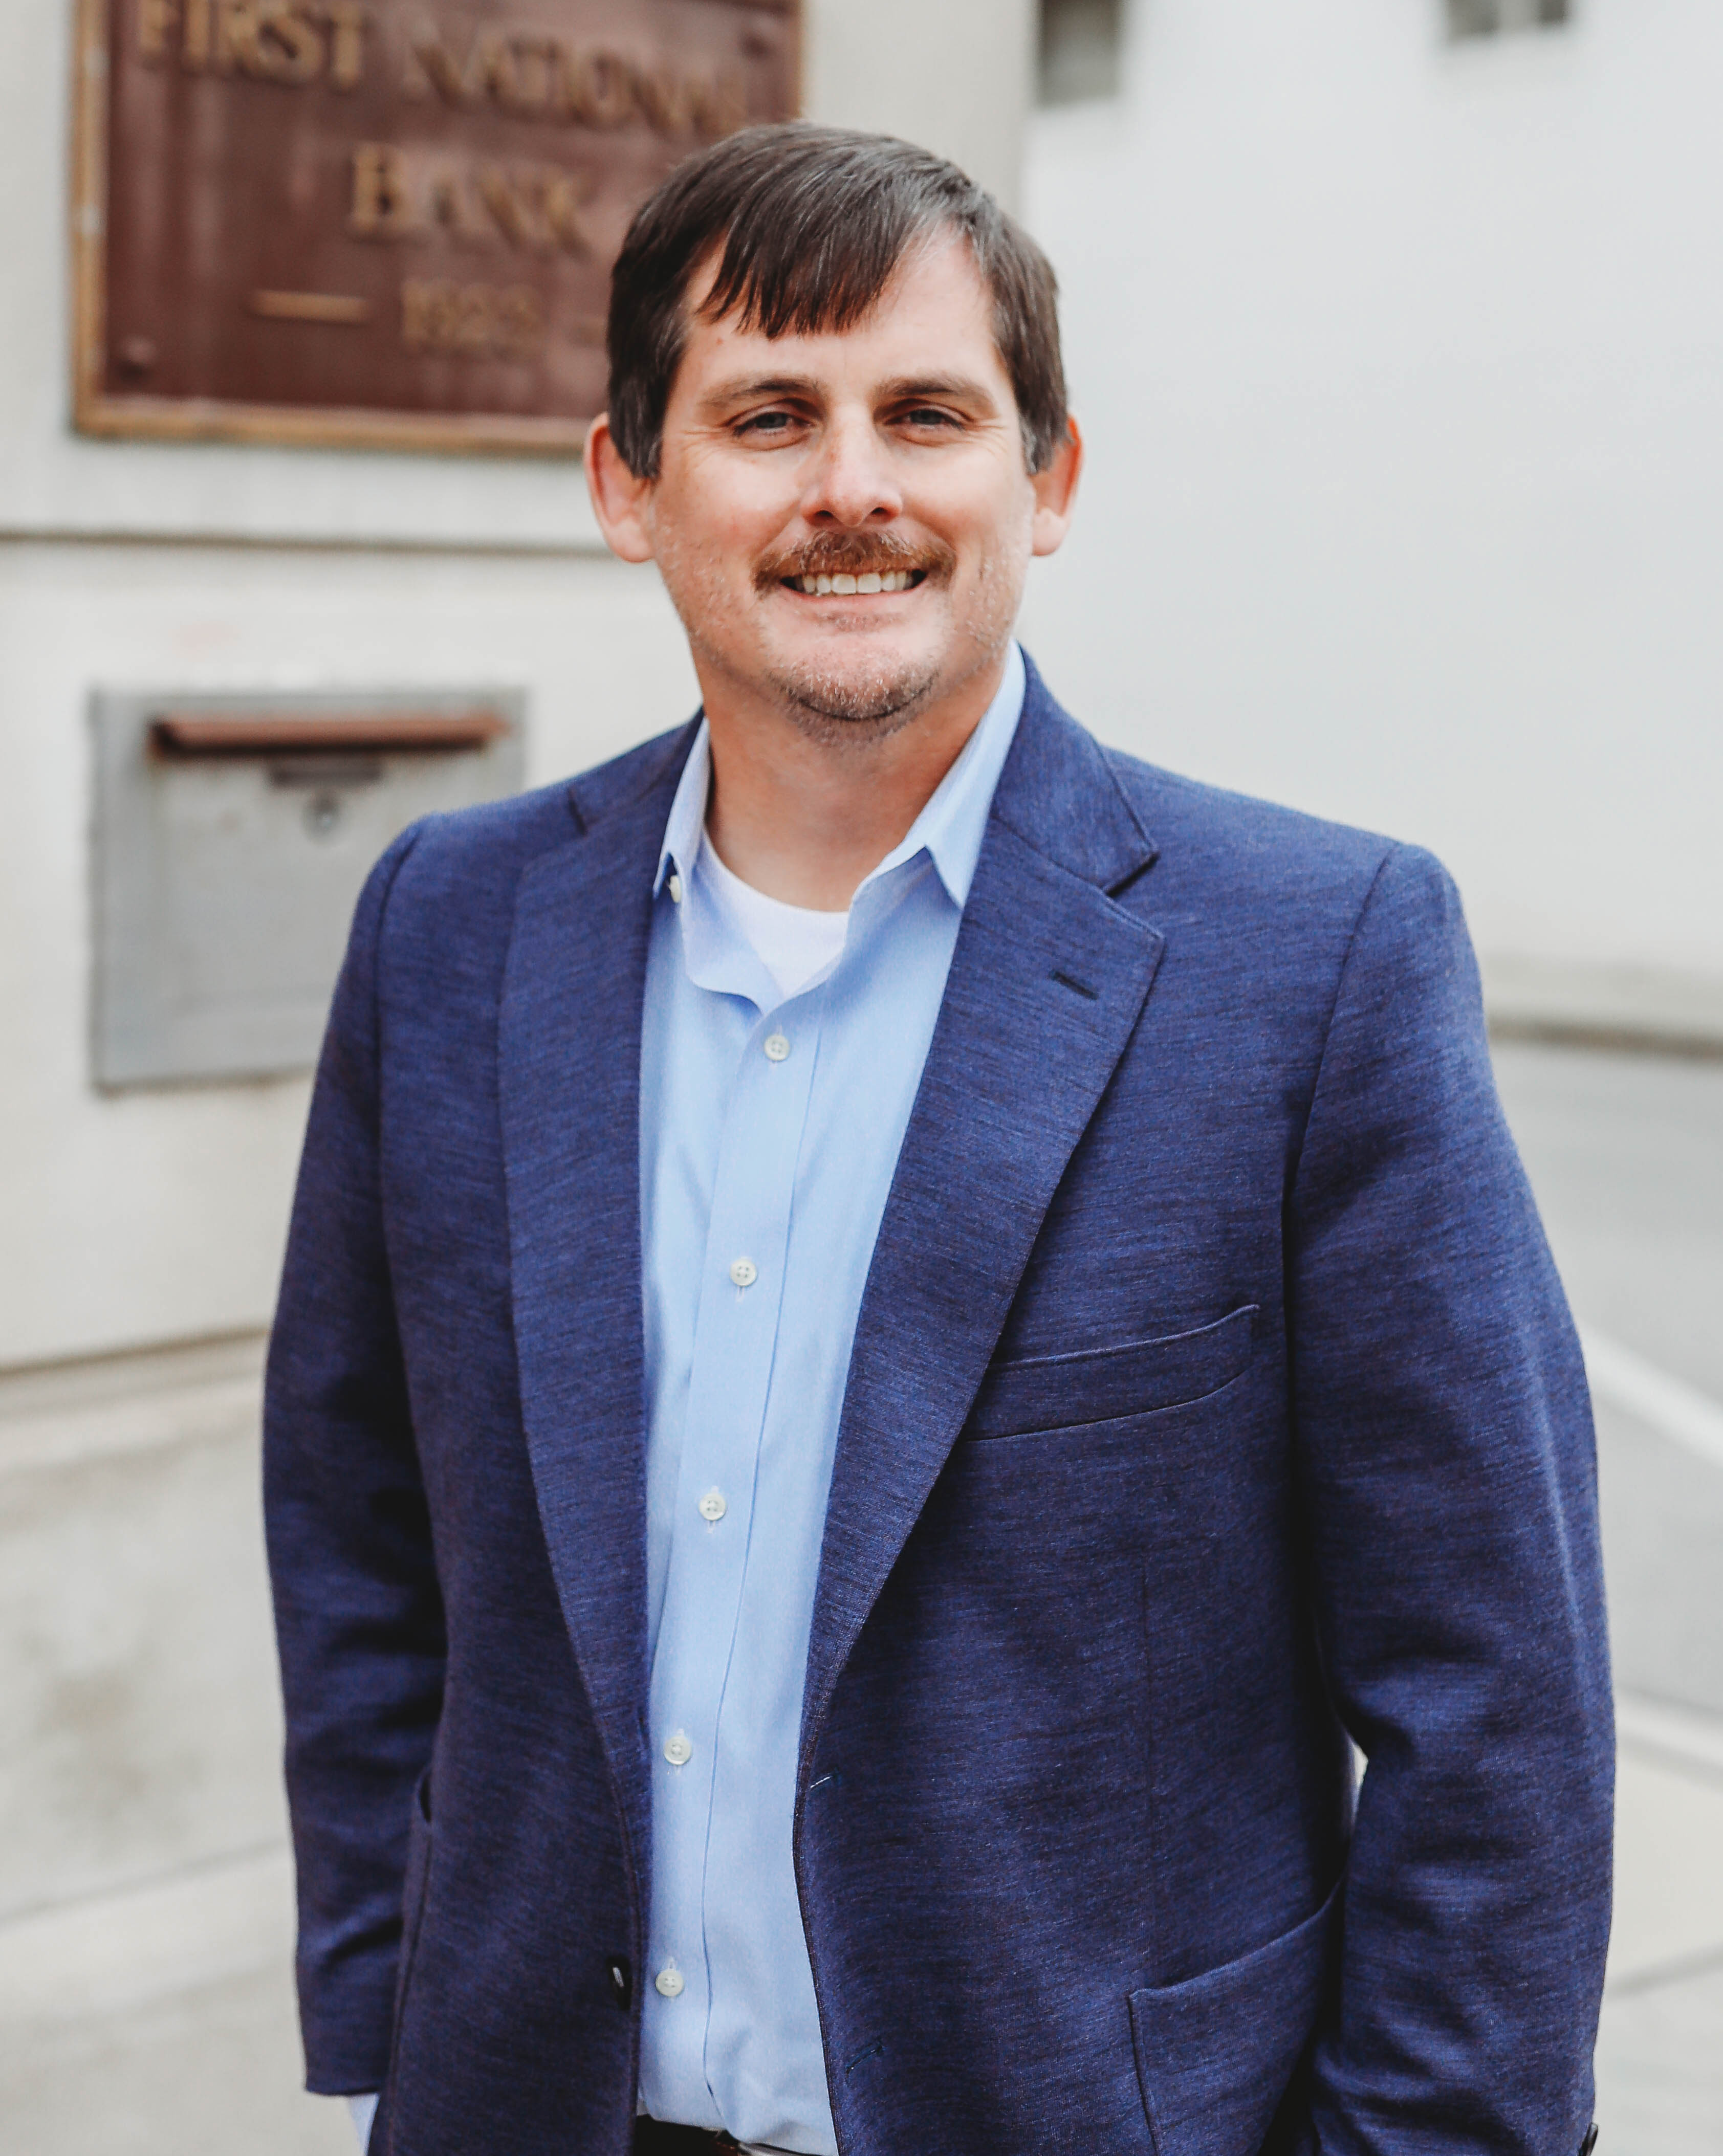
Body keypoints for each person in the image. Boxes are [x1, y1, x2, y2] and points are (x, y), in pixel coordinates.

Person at [265, 124, 1612, 2156]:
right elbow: (356, 1523)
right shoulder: (450, 928)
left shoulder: (1309, 961)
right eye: (766, 414)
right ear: (627, 485)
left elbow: (1489, 1691)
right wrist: (392, 1977)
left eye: (926, 412)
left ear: (1044, 479)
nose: (853, 489)